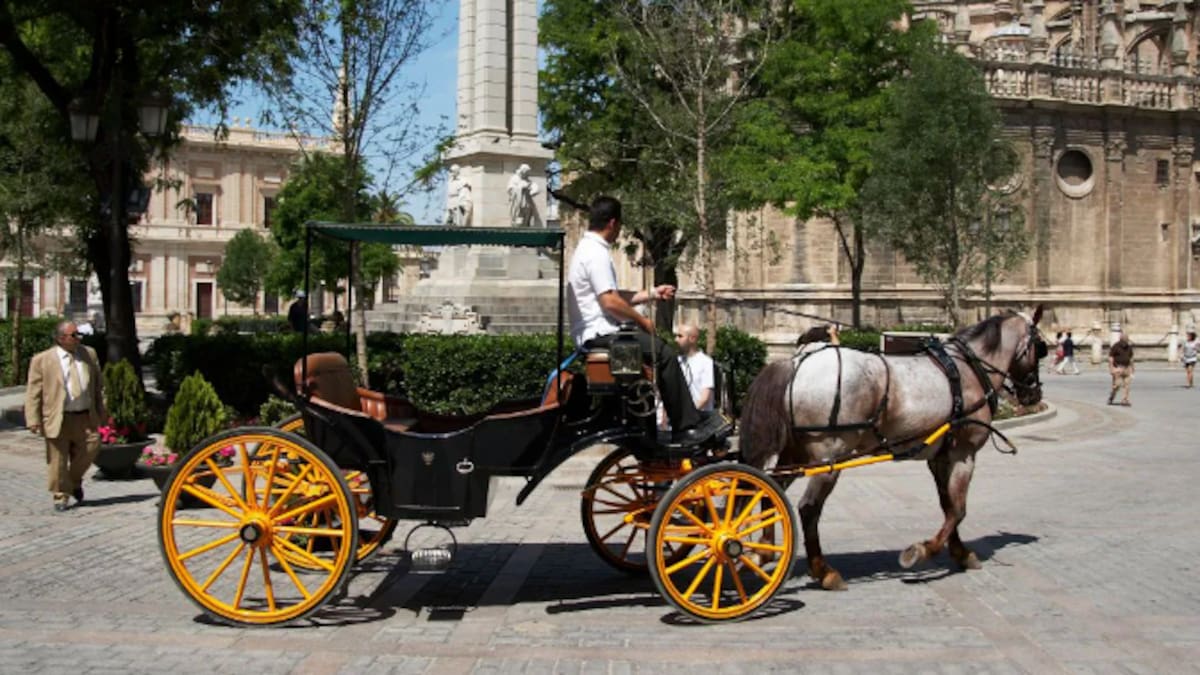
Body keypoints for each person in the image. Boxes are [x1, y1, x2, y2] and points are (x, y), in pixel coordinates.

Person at [567, 196, 711, 441]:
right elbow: (610, 302)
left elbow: (613, 294)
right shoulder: (596, 253)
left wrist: (652, 294)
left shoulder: (588, 249)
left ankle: (659, 424)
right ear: (613, 223)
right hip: (601, 335)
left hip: (597, 333)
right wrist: (643, 322)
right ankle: (686, 425)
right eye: (620, 225)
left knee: (657, 353)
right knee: (664, 354)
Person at [25, 321, 106, 512]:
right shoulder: (42, 360)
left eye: (78, 334)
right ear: (61, 338)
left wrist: (102, 411)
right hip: (57, 417)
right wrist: (33, 419)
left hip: (84, 415)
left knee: (92, 447)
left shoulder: (89, 354)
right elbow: (33, 392)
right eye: (74, 335)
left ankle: (73, 481)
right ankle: (61, 495)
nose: (78, 338)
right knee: (58, 460)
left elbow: (98, 387)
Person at [674, 324, 715, 412]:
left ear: (692, 339)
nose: (676, 340)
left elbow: (705, 396)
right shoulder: (677, 360)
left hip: (700, 416)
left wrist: (691, 414)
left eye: (680, 336)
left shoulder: (705, 362)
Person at [1107, 332, 1135, 406]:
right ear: (1121, 339)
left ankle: (1125, 399)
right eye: (1125, 339)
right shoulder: (1115, 346)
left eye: (1127, 339)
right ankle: (1112, 396)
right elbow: (1110, 358)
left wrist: (1132, 369)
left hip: (1127, 368)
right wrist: (1112, 368)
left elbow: (1131, 358)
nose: (1126, 341)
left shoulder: (1129, 347)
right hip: (1118, 368)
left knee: (1127, 385)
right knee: (1117, 385)